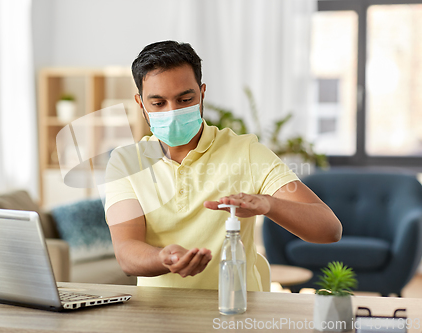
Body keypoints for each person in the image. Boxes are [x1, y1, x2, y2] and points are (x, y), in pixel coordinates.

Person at [104, 40, 342, 291]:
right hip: (157, 316)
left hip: (236, 314)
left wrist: (269, 205)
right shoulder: (126, 162)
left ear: (202, 94)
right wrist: (164, 258)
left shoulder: (246, 152)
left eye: (185, 99)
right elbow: (127, 253)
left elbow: (329, 229)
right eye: (158, 103)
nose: (173, 112)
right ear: (141, 104)